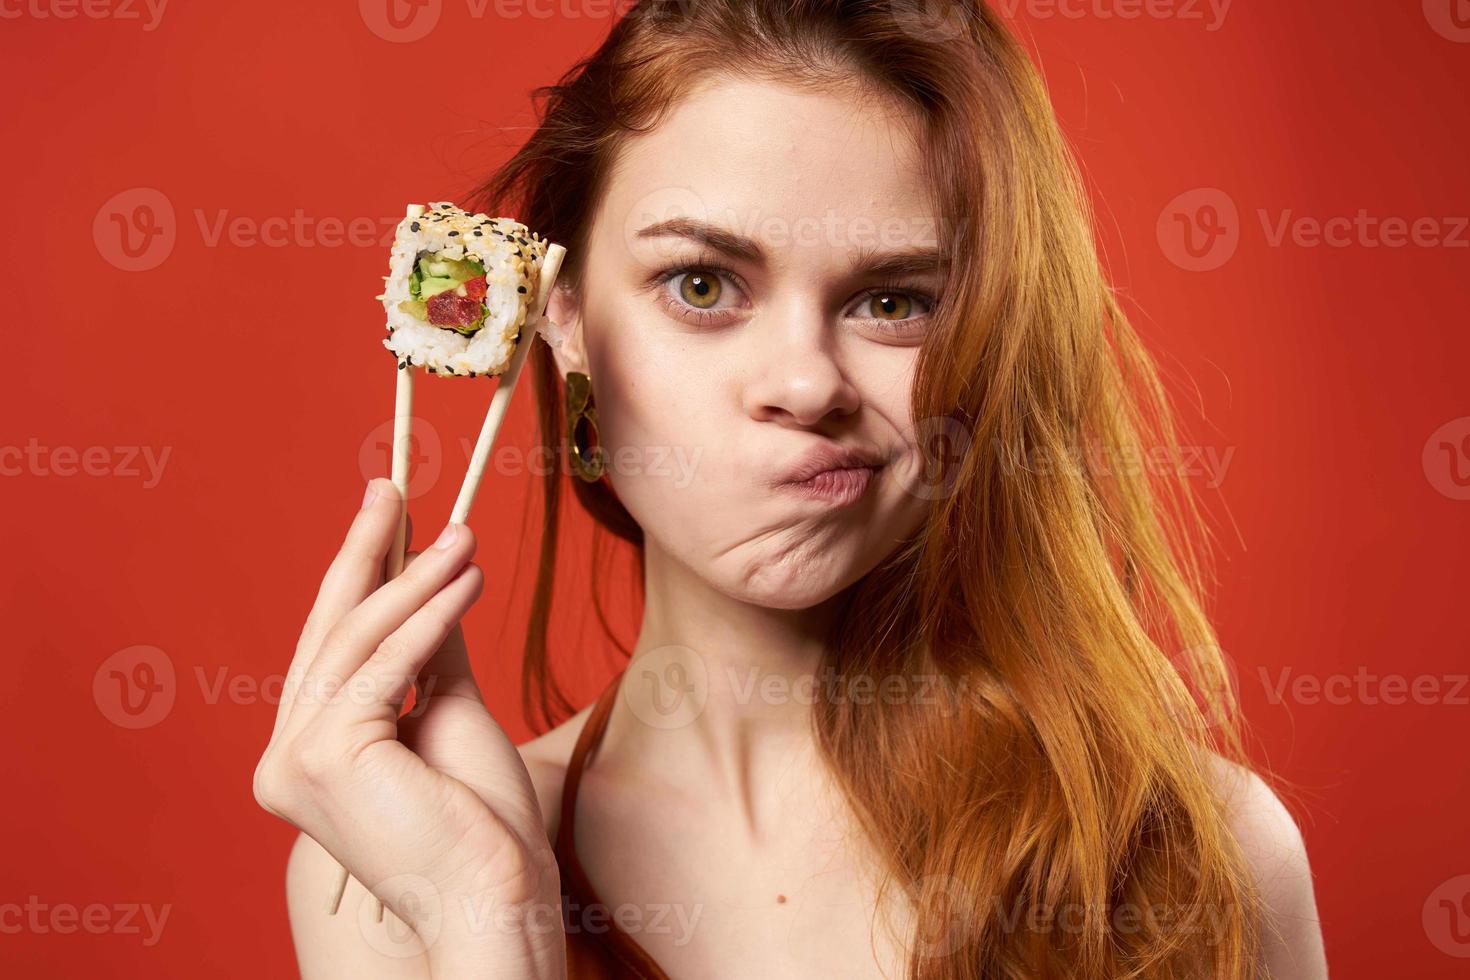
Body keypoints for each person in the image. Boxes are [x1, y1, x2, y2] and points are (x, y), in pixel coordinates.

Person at [254, 2, 1329, 976]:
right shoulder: (392, 871)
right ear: (564, 320)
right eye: (704, 284)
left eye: (896, 301)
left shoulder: (1200, 860)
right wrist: (492, 923)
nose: (808, 382)